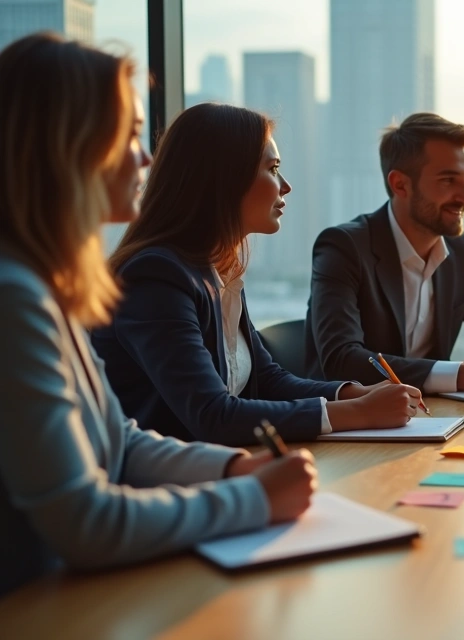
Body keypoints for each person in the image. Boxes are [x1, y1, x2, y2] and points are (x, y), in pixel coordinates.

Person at [0, 34, 316, 597]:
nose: (147, 157)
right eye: (128, 136)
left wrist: (231, 471)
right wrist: (254, 498)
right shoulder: (15, 299)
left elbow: (117, 438)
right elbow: (84, 522)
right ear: (70, 147)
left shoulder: (48, 286)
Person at [91, 103, 420, 446]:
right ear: (224, 178)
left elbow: (267, 380)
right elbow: (213, 416)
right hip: (165, 487)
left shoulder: (219, 271)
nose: (286, 186)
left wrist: (353, 392)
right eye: (273, 169)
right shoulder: (156, 278)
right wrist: (360, 413)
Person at [305, 112, 464, 392]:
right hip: (350, 422)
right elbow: (342, 359)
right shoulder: (344, 247)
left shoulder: (462, 251)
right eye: (448, 181)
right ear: (400, 184)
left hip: (432, 420)